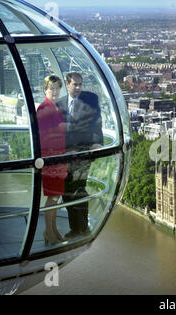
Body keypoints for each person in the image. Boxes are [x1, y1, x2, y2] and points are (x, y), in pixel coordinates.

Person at [57, 72, 103, 239]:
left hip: (83, 153)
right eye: (75, 84)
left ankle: (82, 228)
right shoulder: (59, 104)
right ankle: (75, 228)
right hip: (64, 155)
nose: (78, 88)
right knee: (66, 191)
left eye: (80, 84)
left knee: (78, 188)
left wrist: (97, 143)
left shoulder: (90, 99)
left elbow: (97, 122)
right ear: (67, 84)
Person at [37, 75, 67, 245]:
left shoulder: (54, 107)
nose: (55, 91)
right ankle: (49, 232)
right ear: (45, 90)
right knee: (53, 197)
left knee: (56, 196)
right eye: (51, 88)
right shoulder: (44, 109)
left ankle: (53, 230)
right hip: (51, 159)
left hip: (58, 158)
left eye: (57, 88)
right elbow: (44, 137)